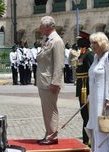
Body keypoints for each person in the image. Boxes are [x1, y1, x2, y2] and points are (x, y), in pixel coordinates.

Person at [86, 32, 109, 152]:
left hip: (103, 98)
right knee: (95, 128)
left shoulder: (108, 57)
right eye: (92, 43)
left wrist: (108, 99)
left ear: (102, 43)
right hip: (95, 97)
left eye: (95, 43)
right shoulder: (96, 57)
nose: (93, 46)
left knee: (103, 128)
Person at [36, 16, 65, 145]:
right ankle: (49, 133)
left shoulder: (56, 41)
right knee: (46, 110)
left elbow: (59, 64)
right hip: (45, 81)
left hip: (50, 82)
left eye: (41, 26)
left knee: (50, 109)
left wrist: (55, 82)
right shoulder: (48, 40)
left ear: (48, 27)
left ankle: (52, 136)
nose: (39, 28)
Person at [76, 31, 94, 145]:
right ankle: (86, 139)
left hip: (86, 87)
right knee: (84, 115)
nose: (78, 41)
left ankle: (89, 140)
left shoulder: (89, 54)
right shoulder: (83, 53)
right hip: (81, 86)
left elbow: (91, 72)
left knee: (87, 114)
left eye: (80, 40)